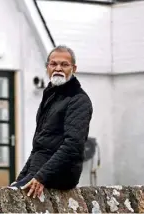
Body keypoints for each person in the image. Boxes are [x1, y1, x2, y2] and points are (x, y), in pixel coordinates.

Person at [11, 45, 93, 198]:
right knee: (12, 192)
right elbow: (40, 145)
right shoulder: (50, 96)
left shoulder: (79, 100)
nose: (58, 68)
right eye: (53, 64)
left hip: (61, 173)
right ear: (47, 67)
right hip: (40, 167)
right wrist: (21, 178)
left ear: (74, 68)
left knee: (17, 196)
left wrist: (42, 177)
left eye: (64, 64)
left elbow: (73, 146)